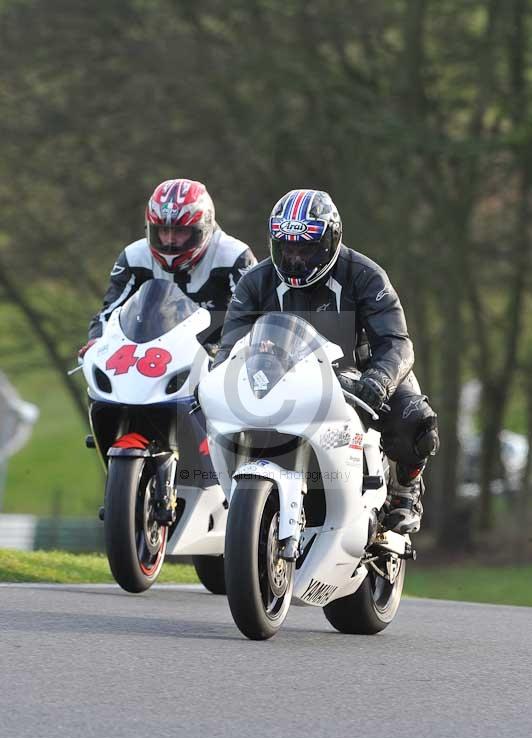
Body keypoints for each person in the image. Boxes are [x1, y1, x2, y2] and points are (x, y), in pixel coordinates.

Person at [213, 189, 439, 534]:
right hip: (285, 377)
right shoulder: (255, 281)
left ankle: (405, 489)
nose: (295, 258)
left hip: (362, 373)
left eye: (305, 248)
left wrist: (378, 380)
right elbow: (230, 345)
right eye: (287, 247)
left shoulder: (366, 276)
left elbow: (397, 343)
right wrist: (218, 382)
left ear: (330, 242)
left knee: (416, 420)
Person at [79, 178, 257, 355]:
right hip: (152, 360)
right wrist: (97, 342)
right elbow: (109, 313)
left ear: (203, 228)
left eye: (180, 231)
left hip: (217, 360)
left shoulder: (235, 256)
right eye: (163, 231)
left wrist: (233, 351)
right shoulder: (134, 257)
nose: (170, 240)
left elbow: (256, 315)